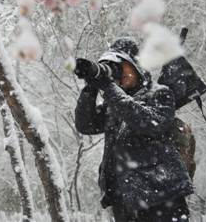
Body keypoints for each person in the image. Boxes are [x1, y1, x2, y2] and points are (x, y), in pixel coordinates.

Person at [74, 37, 194, 221]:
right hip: (124, 202)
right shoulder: (114, 105)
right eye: (111, 68)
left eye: (120, 65)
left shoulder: (159, 93)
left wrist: (109, 88)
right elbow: (85, 124)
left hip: (162, 198)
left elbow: (152, 124)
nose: (115, 73)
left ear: (136, 66)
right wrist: (91, 86)